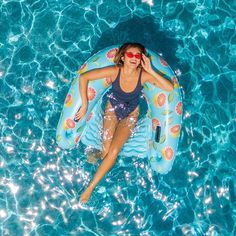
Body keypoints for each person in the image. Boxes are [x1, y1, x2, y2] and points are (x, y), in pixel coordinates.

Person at [75, 42, 174, 203]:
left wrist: (150, 70)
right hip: (113, 108)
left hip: (131, 114)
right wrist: (85, 104)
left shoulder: (143, 75)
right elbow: (84, 77)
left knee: (113, 152)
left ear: (141, 59)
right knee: (106, 152)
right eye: (130, 55)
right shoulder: (115, 72)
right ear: (123, 56)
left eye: (137, 55)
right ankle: (100, 155)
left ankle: (89, 189)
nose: (133, 58)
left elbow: (169, 88)